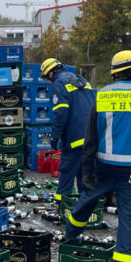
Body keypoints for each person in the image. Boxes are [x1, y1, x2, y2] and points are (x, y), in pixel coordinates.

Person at [67, 52, 131, 262]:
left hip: (104, 166)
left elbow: (90, 137)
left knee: (86, 201)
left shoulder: (104, 94)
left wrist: (87, 169)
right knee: (128, 218)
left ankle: (70, 236)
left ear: (115, 73)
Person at [41, 57, 95, 209]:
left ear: (51, 73)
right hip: (91, 135)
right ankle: (86, 206)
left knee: (66, 171)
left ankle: (61, 204)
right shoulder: (82, 80)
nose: (48, 81)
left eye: (47, 78)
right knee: (84, 172)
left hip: (74, 137)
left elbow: (61, 113)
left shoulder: (59, 83)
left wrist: (55, 136)